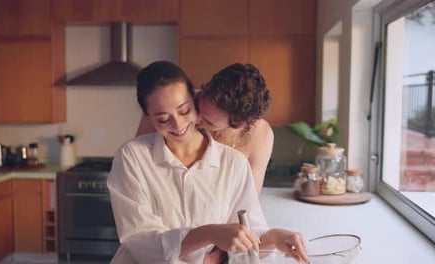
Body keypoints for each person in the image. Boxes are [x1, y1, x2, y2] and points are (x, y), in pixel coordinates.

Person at [108, 61, 309, 263]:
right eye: (162, 119)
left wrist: (273, 238)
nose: (179, 125)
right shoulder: (132, 156)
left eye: (186, 111)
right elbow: (140, 240)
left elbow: (244, 229)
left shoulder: (235, 162)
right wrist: (209, 234)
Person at [136, 63, 273, 195]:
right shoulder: (175, 103)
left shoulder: (260, 135)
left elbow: (249, 197)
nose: (195, 119)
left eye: (208, 121)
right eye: (197, 105)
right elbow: (139, 162)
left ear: (238, 125)